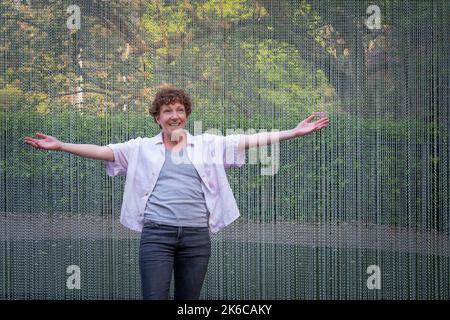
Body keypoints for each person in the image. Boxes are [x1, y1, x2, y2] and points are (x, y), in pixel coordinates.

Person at [24, 86, 330, 300]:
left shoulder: (208, 144)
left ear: (186, 115)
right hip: (157, 236)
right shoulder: (140, 148)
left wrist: (292, 132)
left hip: (196, 238)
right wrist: (61, 145)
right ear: (157, 117)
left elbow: (249, 139)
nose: (174, 115)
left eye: (180, 110)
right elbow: (103, 151)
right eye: (167, 110)